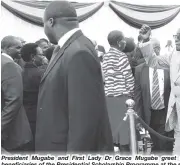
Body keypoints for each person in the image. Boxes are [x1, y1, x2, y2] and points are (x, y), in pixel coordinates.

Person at [35, 1, 113, 152]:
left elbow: (84, 120)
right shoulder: (69, 47)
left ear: (50, 22)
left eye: (43, 24)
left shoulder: (78, 52)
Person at [139, 23, 180, 155]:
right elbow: (154, 62)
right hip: (177, 119)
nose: (176, 39)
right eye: (175, 36)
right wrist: (146, 40)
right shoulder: (175, 54)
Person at [135, 38, 173, 154]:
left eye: (154, 48)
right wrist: (139, 118)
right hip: (147, 114)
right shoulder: (139, 70)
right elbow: (138, 95)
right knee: (148, 148)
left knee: (163, 147)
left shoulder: (168, 68)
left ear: (157, 49)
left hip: (164, 113)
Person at [102, 30, 134, 153]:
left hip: (108, 100)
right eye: (124, 39)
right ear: (119, 42)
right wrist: (130, 95)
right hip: (122, 99)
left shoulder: (105, 56)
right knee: (125, 136)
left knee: (114, 133)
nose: (125, 42)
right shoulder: (122, 56)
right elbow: (129, 79)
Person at [1, 36, 32, 152]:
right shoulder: (9, 65)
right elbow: (14, 101)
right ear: (6, 48)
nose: (21, 50)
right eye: (18, 47)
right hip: (12, 134)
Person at [20, 43, 47, 151]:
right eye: (41, 54)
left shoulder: (19, 71)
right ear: (33, 57)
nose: (43, 57)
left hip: (24, 114)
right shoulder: (40, 73)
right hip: (37, 115)